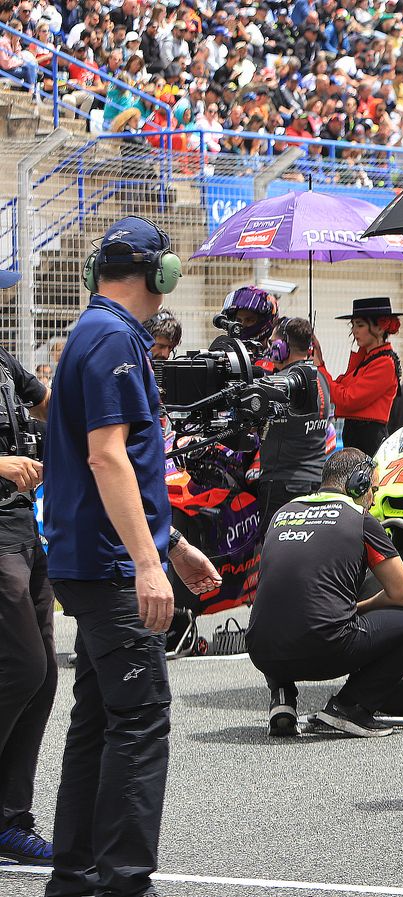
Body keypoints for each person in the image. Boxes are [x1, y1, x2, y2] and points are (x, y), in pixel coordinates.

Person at [43, 217, 220, 897]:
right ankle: (124, 883)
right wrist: (148, 563)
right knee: (141, 719)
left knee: (98, 720)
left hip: (90, 557)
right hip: (111, 568)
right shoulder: (115, 336)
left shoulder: (91, 332)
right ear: (158, 274)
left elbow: (103, 467)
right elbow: (107, 455)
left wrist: (169, 545)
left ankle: (76, 876)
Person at [247, 448, 403, 738]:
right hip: (325, 648)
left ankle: (282, 698)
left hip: (262, 650)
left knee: (282, 609)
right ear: (357, 484)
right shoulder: (359, 517)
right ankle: (350, 706)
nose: (373, 499)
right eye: (372, 489)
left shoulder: (283, 513)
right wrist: (361, 607)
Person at [0, 283, 53, 865]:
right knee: (22, 667)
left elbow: (46, 404)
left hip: (23, 532)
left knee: (41, 679)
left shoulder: (1, 357)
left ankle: (9, 819)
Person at [254, 317, 333, 524]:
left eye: (273, 344)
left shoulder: (281, 383)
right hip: (316, 483)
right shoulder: (321, 378)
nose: (270, 350)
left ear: (282, 347)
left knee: (274, 552)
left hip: (282, 486)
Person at [316, 296, 403, 456]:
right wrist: (319, 363)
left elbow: (347, 398)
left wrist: (320, 368)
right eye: (353, 325)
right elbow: (338, 388)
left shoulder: (384, 363)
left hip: (369, 439)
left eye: (360, 325)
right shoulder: (367, 358)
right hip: (358, 435)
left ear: (380, 327)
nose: (355, 330)